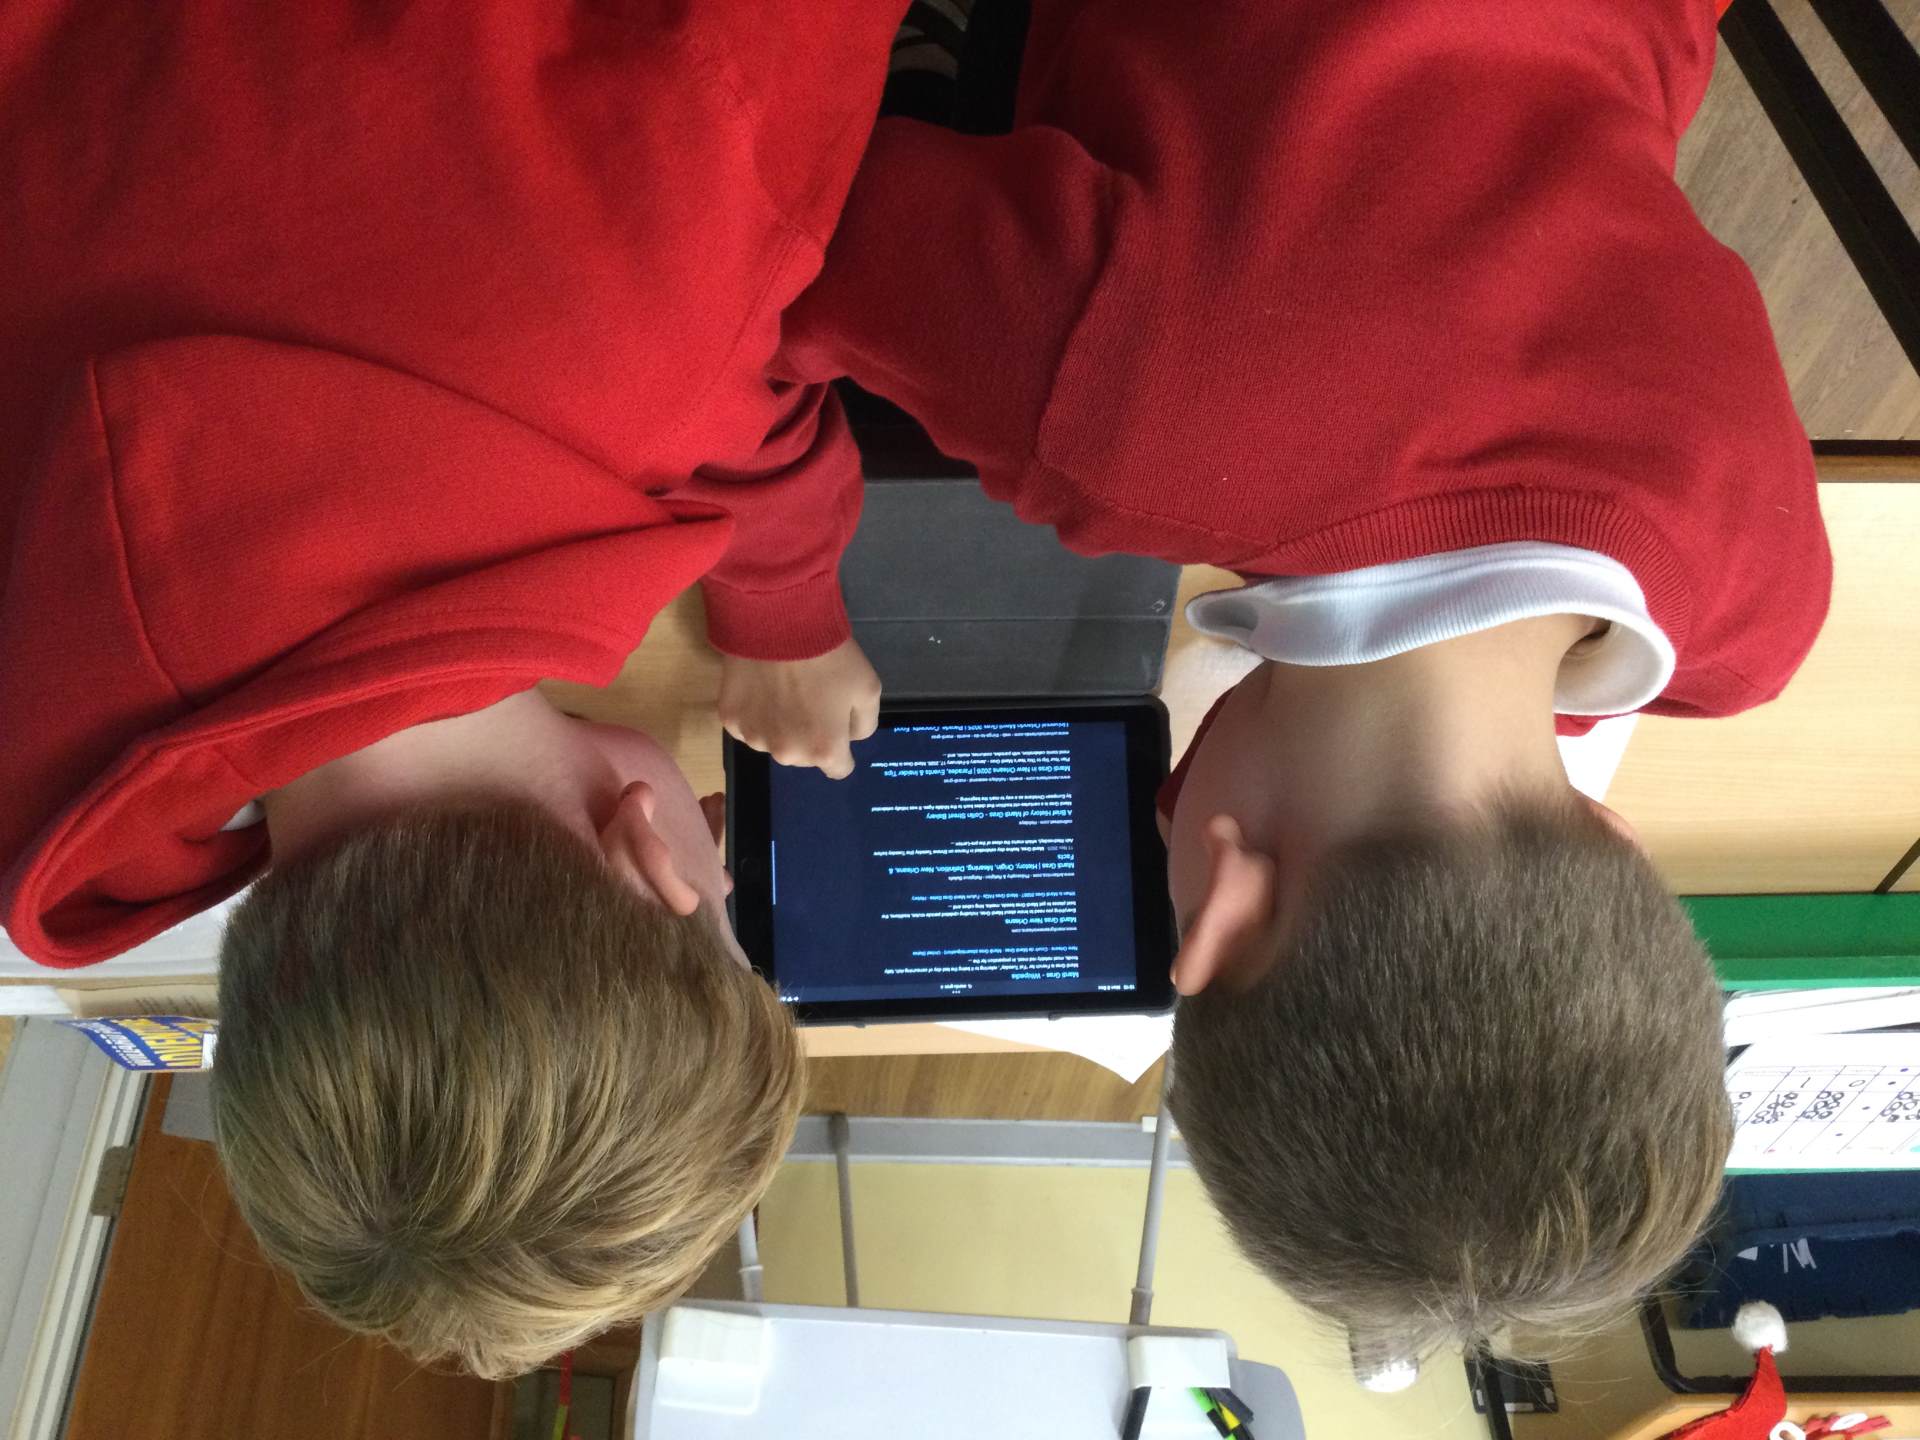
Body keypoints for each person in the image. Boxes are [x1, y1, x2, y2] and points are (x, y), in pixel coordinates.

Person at [780, 0, 1831, 1356]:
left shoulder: (1759, 612)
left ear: (1621, 841)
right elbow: (774, 227)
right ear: (1218, 905)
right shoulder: (1115, 410)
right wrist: (777, 611)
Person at [0, 0, 903, 1377]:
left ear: (652, 856)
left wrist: (787, 602)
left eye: (729, 917)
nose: (729, 868)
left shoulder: (655, 300)